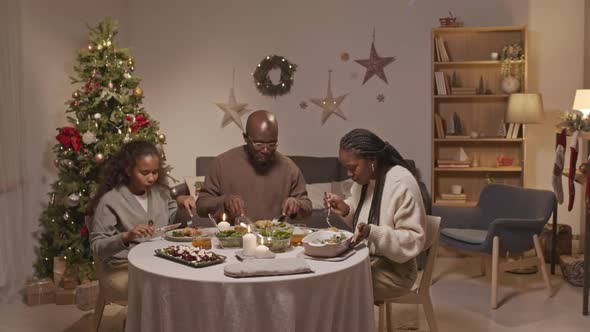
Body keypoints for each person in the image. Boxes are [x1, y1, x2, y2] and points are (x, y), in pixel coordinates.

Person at [324, 128, 426, 300]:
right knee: (326, 275)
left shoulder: (401, 182)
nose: (349, 174)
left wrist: (373, 232)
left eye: (352, 168)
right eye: (346, 168)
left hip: (396, 272)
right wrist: (346, 209)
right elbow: (362, 216)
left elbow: (413, 239)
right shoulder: (365, 180)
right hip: (368, 261)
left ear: (372, 160)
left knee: (335, 285)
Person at [88, 140, 194, 300]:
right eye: (145, 173)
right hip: (124, 267)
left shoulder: (161, 192)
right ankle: (149, 324)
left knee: (190, 275)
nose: (151, 178)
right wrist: (126, 237)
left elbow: (173, 222)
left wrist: (180, 204)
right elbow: (97, 247)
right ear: (129, 170)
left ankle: (172, 324)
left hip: (160, 259)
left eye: (155, 172)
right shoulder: (110, 201)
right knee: (165, 285)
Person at [196, 110, 312, 222]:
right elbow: (201, 206)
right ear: (245, 137)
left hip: (274, 239)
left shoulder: (289, 168)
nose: (266, 150)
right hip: (234, 238)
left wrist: (297, 204)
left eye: (272, 144)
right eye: (258, 144)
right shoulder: (221, 163)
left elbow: (307, 207)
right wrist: (224, 202)